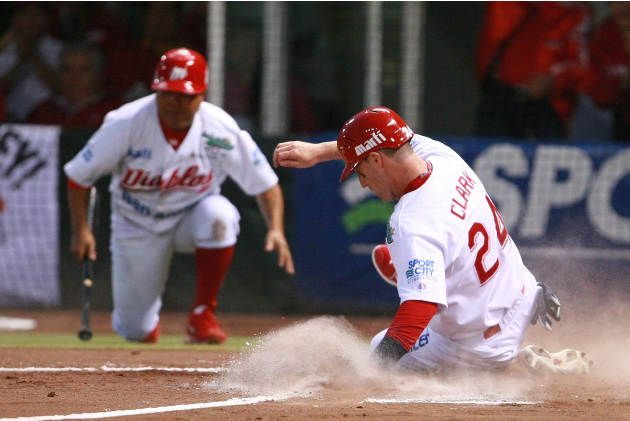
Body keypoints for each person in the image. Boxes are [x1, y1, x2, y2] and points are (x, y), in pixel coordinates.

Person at [273, 106, 591, 374]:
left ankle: (513, 368)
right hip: (523, 294)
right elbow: (390, 141)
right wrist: (318, 151)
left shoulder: (411, 222)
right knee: (423, 261)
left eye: (359, 170)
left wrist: (372, 372)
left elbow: (418, 311)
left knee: (378, 346)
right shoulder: (441, 156)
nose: (363, 182)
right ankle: (510, 351)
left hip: (479, 344)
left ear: (376, 161)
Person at [64, 48, 294, 344]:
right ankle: (146, 324)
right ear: (156, 90)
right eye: (168, 93)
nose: (176, 103)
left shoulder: (219, 128)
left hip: (191, 215)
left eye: (186, 96)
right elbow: (79, 176)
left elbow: (265, 184)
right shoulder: (126, 122)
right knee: (135, 330)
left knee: (220, 217)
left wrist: (276, 228)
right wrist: (80, 229)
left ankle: (202, 316)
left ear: (201, 95)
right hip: (136, 223)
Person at [475, 2, 592, 140]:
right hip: (499, 99)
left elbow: (582, 66)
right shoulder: (506, 6)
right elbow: (491, 41)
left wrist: (554, 80)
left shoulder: (575, 11)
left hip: (549, 107)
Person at [28, 44, 120, 128]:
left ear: (98, 74)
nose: (74, 77)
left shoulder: (113, 113)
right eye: (67, 69)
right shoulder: (42, 112)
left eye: (83, 70)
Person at [0, 3, 63, 122]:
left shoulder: (57, 48)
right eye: (26, 15)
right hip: (10, 115)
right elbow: (3, 88)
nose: (31, 21)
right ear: (15, 19)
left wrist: (33, 56)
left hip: (46, 115)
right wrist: (20, 61)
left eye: (37, 16)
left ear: (47, 20)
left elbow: (61, 88)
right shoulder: (6, 47)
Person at [583, 2, 630, 142]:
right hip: (620, 122)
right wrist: (621, 84)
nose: (623, 7)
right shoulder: (603, 36)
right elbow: (598, 95)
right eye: (616, 2)